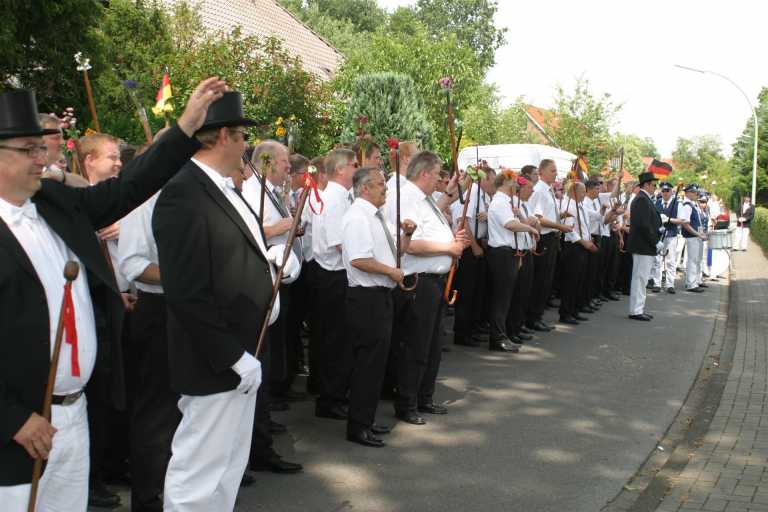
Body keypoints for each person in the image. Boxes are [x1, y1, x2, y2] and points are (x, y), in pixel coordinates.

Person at [0, 78, 225, 512]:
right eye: (28, 149)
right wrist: (12, 419)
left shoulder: (53, 204)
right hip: (18, 431)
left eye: (41, 147)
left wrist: (183, 130)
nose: (42, 158)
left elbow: (129, 187)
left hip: (75, 413)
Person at [152, 90, 299, 512]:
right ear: (222, 137)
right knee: (198, 475)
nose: (246, 148)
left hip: (243, 351)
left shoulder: (221, 190)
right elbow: (186, 291)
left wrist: (270, 265)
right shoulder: (184, 193)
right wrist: (231, 356)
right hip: (215, 361)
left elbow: (231, 257)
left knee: (226, 471)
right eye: (242, 137)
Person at [392, 151, 468, 425]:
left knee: (433, 344)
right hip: (419, 282)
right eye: (436, 174)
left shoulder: (424, 199)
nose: (439, 180)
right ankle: (407, 402)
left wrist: (452, 241)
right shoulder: (408, 198)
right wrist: (448, 247)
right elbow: (409, 244)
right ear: (424, 173)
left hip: (435, 282)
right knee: (416, 344)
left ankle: (424, 396)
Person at [242, 141, 304, 476]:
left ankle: (261, 433)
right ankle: (258, 445)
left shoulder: (268, 190)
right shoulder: (252, 191)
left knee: (269, 363)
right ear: (265, 163)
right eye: (282, 162)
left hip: (278, 281)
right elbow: (252, 234)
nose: (288, 168)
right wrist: (281, 228)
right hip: (259, 285)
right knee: (258, 368)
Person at [341, 167, 415, 447]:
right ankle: (358, 426)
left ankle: (366, 419)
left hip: (380, 296)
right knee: (367, 364)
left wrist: (407, 235)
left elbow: (394, 253)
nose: (385, 188)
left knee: (377, 364)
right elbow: (359, 259)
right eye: (380, 184)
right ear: (364, 188)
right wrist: (391, 272)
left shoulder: (375, 215)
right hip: (366, 298)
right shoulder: (358, 217)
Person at [311, 148, 357, 420]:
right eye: (353, 165)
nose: (356, 169)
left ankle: (336, 392)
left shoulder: (340, 196)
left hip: (337, 274)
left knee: (340, 338)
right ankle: (330, 398)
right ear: (340, 169)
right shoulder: (335, 199)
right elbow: (341, 242)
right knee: (336, 340)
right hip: (333, 274)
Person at [486, 171, 540, 350]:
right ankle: (498, 338)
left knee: (506, 297)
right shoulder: (500, 202)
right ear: (506, 183)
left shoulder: (506, 201)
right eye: (514, 182)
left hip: (508, 253)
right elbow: (509, 224)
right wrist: (530, 229)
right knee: (501, 298)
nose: (516, 186)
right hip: (502, 254)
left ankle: (502, 335)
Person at [525, 159, 573, 332]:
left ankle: (536, 316)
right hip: (544, 239)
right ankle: (532, 318)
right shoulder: (539, 190)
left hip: (551, 237)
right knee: (540, 280)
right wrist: (560, 226)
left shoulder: (548, 189)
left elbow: (548, 214)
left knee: (546, 280)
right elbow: (538, 218)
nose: (555, 173)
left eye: (556, 170)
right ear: (542, 172)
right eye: (552, 170)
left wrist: (561, 216)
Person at [558, 181, 597, 325]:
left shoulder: (580, 205)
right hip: (574, 246)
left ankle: (574, 310)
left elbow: (585, 225)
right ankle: (566, 313)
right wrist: (583, 242)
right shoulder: (568, 205)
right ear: (574, 192)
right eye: (582, 191)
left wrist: (588, 238)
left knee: (579, 280)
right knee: (571, 281)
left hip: (583, 245)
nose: (584, 194)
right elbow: (569, 230)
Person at [625, 172, 663, 320]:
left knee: (642, 278)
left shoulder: (644, 198)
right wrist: (655, 241)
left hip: (644, 245)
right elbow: (643, 225)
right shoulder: (641, 199)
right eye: (653, 184)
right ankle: (636, 310)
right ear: (646, 184)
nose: (655, 187)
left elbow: (648, 222)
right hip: (642, 245)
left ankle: (638, 308)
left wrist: (659, 227)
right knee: (640, 279)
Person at [651, 182, 683, 294]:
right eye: (663, 191)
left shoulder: (677, 204)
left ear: (671, 191)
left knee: (670, 260)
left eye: (667, 191)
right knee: (657, 260)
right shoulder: (657, 202)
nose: (665, 193)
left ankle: (670, 284)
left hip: (671, 235)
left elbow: (681, 220)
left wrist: (669, 219)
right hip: (659, 235)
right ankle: (657, 283)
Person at [677, 184, 708, 293]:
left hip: (696, 236)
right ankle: (691, 283)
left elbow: (697, 222)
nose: (696, 194)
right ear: (688, 193)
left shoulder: (692, 204)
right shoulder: (687, 205)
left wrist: (701, 234)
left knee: (698, 260)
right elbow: (685, 223)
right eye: (694, 192)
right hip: (692, 237)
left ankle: (697, 280)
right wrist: (698, 234)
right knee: (693, 260)